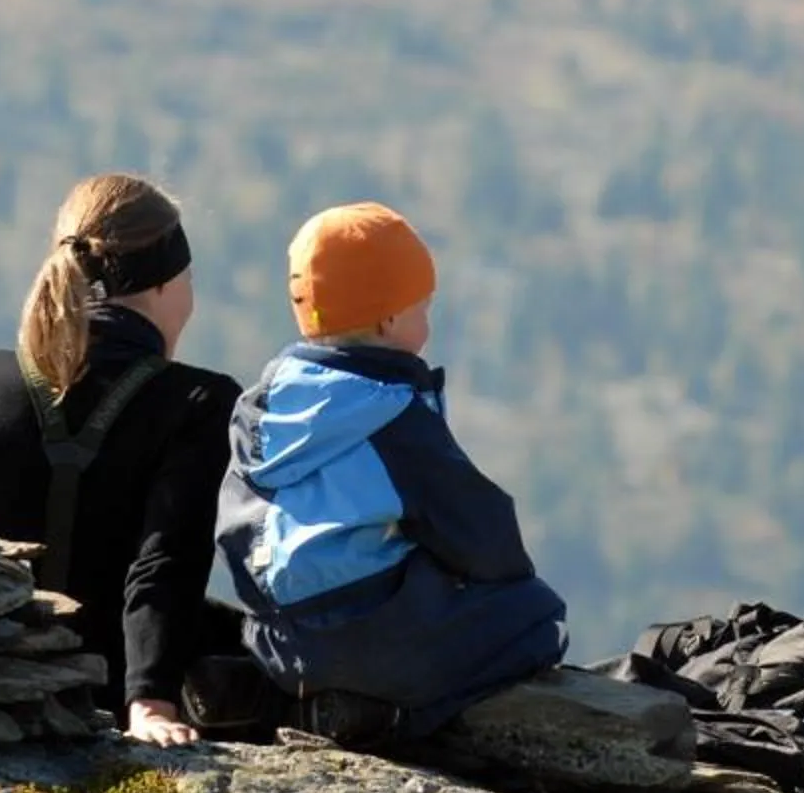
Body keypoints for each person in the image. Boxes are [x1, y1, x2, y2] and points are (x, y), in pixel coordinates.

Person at [215, 201, 567, 743]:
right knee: (539, 620)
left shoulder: (258, 410)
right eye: (422, 306)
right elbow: (477, 530)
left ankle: (298, 695)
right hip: (371, 637)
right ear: (389, 319)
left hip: (275, 638)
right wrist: (505, 582)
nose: (428, 320)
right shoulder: (388, 413)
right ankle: (385, 720)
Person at [0, 173, 241, 747]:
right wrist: (150, 702)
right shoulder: (198, 404)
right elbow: (165, 563)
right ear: (162, 285)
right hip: (111, 686)